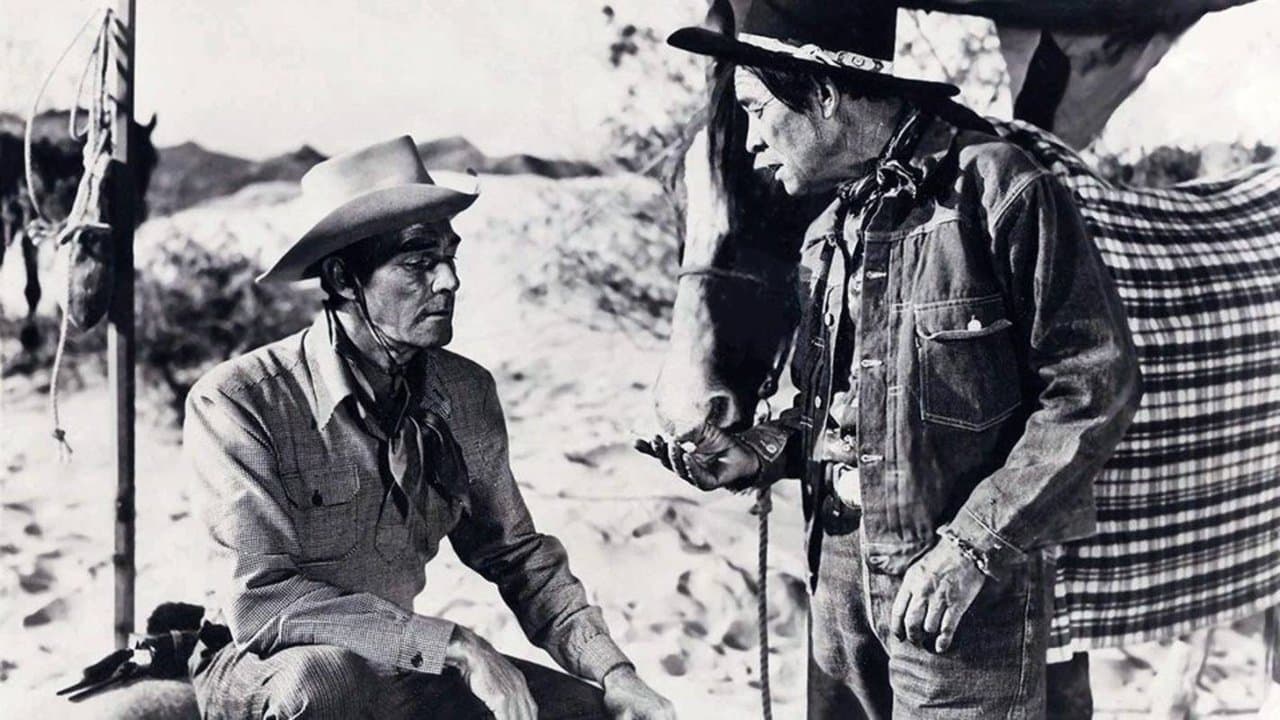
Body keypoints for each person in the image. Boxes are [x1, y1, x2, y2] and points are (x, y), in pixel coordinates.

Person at [651, 1, 1143, 718]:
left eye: (756, 110)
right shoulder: (828, 231)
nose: (751, 141)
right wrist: (756, 454)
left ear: (824, 93)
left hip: (956, 599)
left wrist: (969, 550)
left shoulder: (998, 190)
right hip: (838, 589)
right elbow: (833, 413)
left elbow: (1093, 388)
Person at [184, 136, 676, 720]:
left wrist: (615, 673)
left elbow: (518, 555)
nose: (448, 281)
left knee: (586, 712)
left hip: (397, 660)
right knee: (327, 681)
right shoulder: (239, 400)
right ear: (343, 278)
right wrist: (455, 646)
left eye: (450, 258)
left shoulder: (464, 392)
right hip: (258, 662)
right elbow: (261, 601)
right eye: (419, 263)